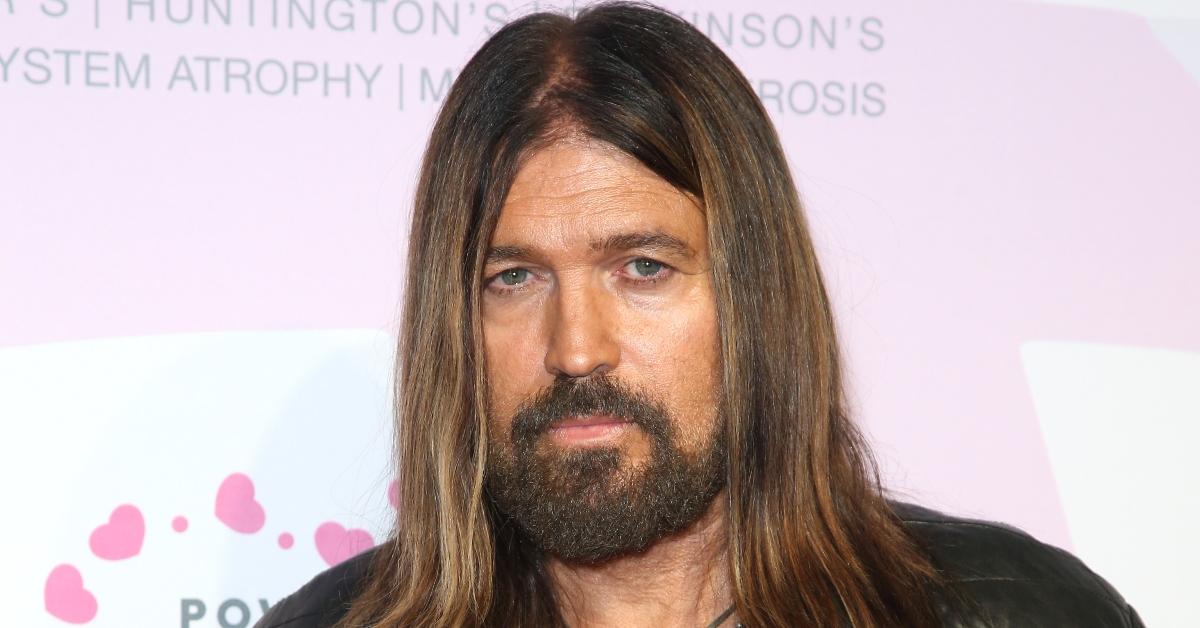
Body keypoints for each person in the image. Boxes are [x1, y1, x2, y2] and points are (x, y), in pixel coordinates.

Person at [257, 2, 1143, 626]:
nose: (576, 350)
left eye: (643, 268)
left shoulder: (1018, 611)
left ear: (757, 298)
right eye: (514, 278)